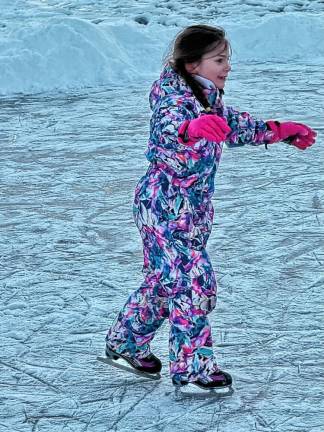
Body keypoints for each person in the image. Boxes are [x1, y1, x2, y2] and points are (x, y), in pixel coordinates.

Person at [104, 24, 316, 390]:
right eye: (219, 60)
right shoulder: (175, 103)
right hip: (164, 205)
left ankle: (126, 341)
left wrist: (279, 130)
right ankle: (193, 368)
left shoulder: (206, 99)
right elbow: (168, 129)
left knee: (164, 282)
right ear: (192, 65)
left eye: (227, 59)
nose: (227, 67)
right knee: (192, 283)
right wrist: (191, 129)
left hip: (188, 211)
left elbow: (236, 125)